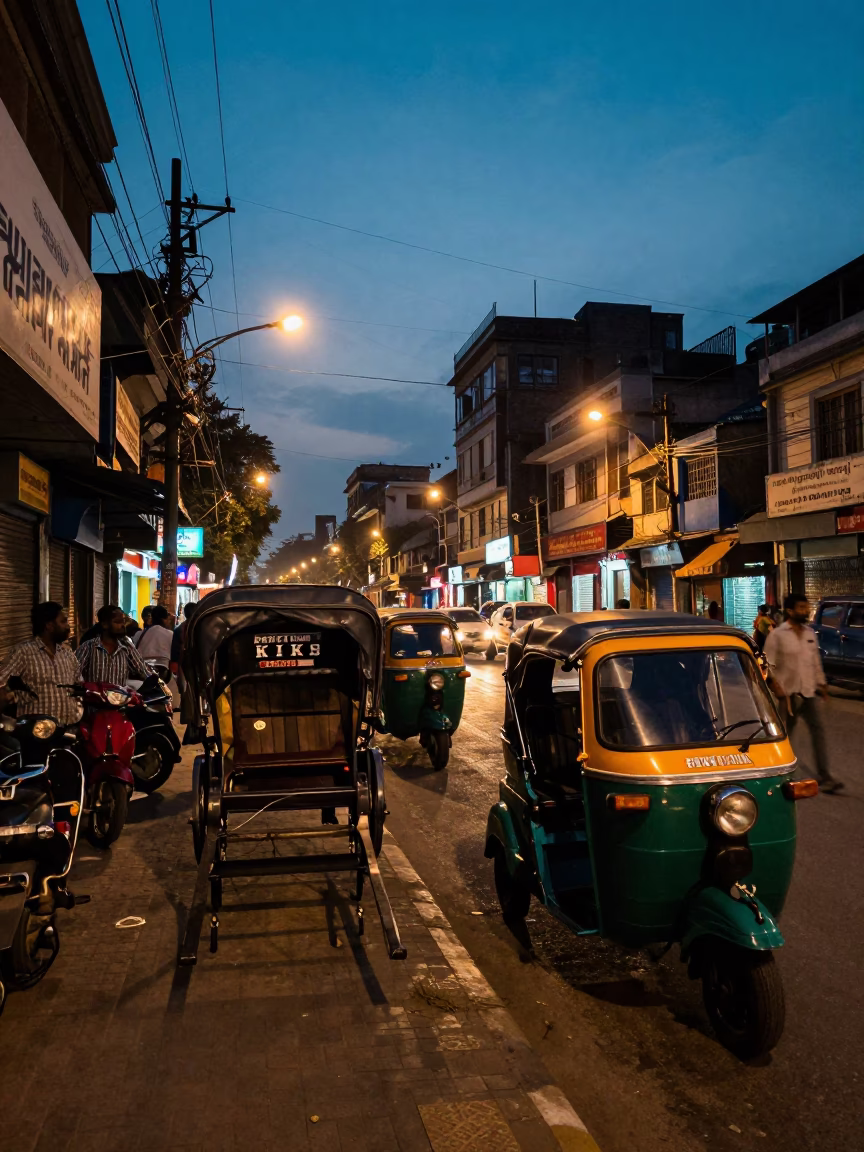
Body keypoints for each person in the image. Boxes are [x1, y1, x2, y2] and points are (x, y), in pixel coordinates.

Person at [763, 593, 843, 793]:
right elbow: (766, 664)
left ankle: (825, 775)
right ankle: (780, 775)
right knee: (784, 738)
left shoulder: (809, 633)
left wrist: (822, 684)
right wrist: (776, 686)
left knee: (818, 732)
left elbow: (815, 661)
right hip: (787, 697)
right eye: (801, 608)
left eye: (806, 607)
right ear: (790, 611)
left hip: (808, 693)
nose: (805, 611)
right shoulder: (777, 635)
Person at [0, 602, 82, 726]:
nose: (68, 626)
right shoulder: (23, 652)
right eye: (63, 622)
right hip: (38, 734)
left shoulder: (67, 652)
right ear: (49, 625)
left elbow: (79, 683)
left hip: (69, 729)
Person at [76, 604, 152, 685]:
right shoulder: (88, 647)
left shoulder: (127, 648)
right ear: (105, 624)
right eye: (118, 622)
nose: (123, 625)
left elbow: (143, 671)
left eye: (123, 621)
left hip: (119, 697)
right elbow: (74, 673)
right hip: (95, 697)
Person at [134, 605, 174, 678]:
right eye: (168, 619)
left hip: (142, 670)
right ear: (164, 619)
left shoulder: (138, 634)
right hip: (162, 669)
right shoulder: (170, 634)